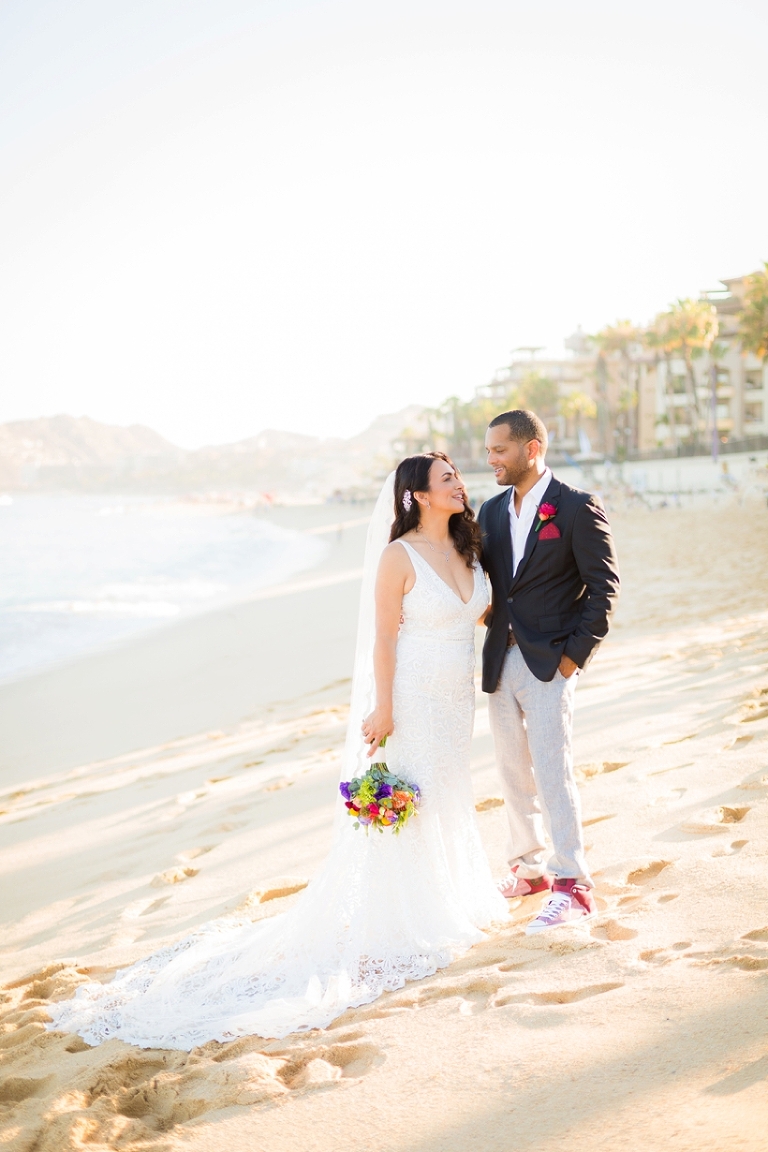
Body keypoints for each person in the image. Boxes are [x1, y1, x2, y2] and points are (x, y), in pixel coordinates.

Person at [47, 453, 506, 1048]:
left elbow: (483, 613)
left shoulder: (469, 548)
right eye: (446, 479)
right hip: (413, 696)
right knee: (413, 800)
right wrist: (383, 706)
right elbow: (384, 640)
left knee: (447, 792)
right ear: (416, 495)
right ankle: (407, 918)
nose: (458, 484)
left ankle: (452, 893)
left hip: (455, 699)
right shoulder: (399, 556)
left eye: (456, 477)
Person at [478, 410, 620, 934]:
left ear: (531, 448)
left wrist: (571, 658)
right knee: (512, 771)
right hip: (500, 660)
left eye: (499, 450)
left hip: (549, 663)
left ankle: (573, 884)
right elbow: (483, 581)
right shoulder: (491, 512)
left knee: (553, 773)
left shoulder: (578, 507)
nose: (490, 459)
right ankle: (530, 870)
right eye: (489, 450)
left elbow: (604, 589)